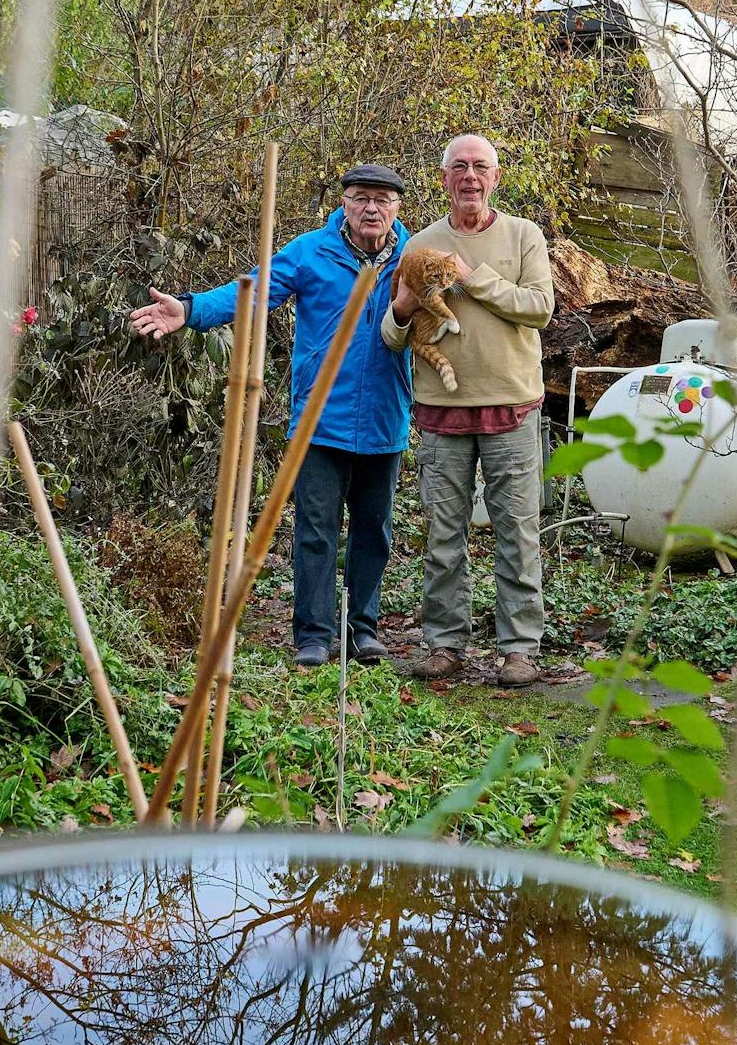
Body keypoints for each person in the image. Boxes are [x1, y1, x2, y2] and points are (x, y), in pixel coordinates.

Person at [129, 164, 411, 668]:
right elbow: (253, 290)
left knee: (374, 528)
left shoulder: (412, 259)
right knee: (315, 528)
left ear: (396, 208)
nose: (372, 208)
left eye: (382, 199)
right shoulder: (311, 252)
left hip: (384, 418)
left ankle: (363, 629)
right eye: (361, 197)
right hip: (319, 421)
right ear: (344, 203)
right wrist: (190, 310)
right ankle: (314, 634)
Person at [383, 135, 554, 688]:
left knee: (517, 529)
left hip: (511, 403)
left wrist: (474, 276)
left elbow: (539, 309)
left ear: (495, 178)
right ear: (443, 180)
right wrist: (405, 309)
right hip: (442, 409)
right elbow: (390, 334)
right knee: (442, 532)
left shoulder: (524, 235)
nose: (470, 177)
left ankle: (519, 649)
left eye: (480, 167)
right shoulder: (420, 244)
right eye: (459, 167)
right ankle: (445, 644)